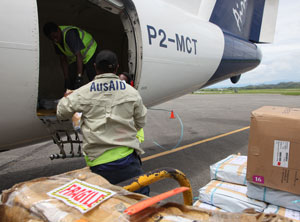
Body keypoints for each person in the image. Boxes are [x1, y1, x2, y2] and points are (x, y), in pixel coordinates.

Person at [56, 50, 149, 195]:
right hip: (128, 160)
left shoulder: (83, 92)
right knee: (139, 203)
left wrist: (67, 97)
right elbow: (141, 121)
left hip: (98, 164)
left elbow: (61, 113)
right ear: (117, 68)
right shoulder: (131, 92)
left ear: (95, 67)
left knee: (105, 206)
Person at [43, 22, 98, 90]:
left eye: (55, 37)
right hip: (77, 58)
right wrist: (66, 79)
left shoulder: (70, 34)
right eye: (51, 39)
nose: (55, 40)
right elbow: (63, 60)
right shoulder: (56, 41)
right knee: (72, 81)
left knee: (93, 79)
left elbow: (79, 55)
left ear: (58, 30)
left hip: (89, 52)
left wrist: (79, 77)